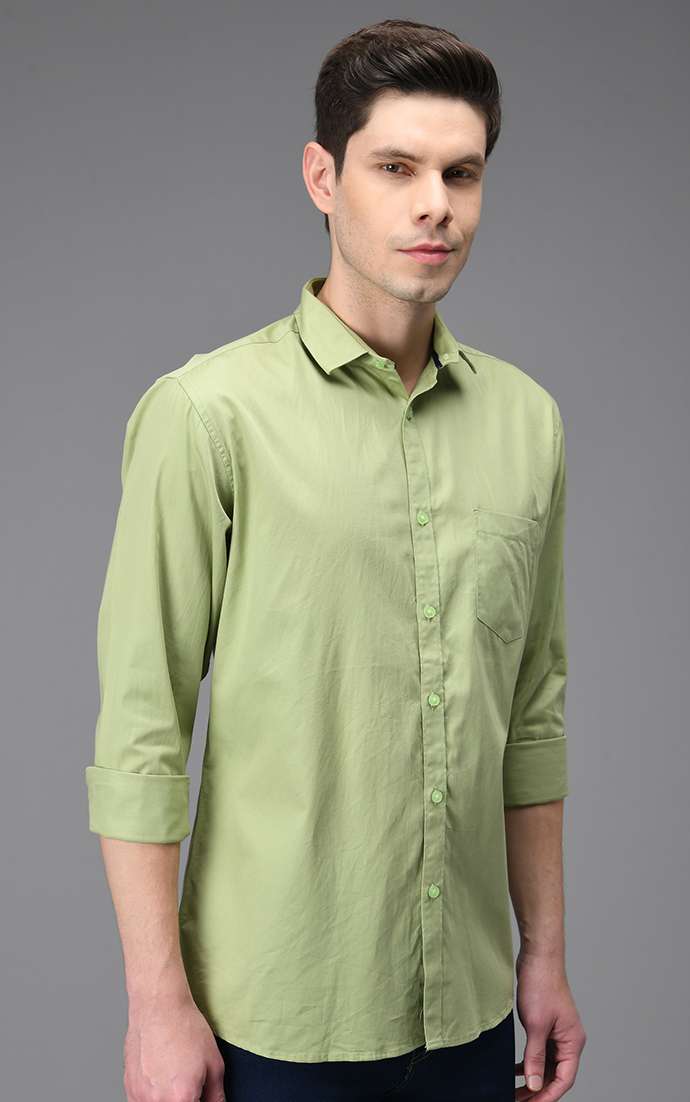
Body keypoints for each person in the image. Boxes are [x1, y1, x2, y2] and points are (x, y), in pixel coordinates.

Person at [84, 17, 586, 1102]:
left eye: (461, 173)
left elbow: (531, 715)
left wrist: (542, 956)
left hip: (470, 1012)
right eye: (395, 168)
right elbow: (142, 732)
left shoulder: (527, 423)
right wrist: (156, 1003)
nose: (434, 205)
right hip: (272, 1017)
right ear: (323, 177)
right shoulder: (206, 415)